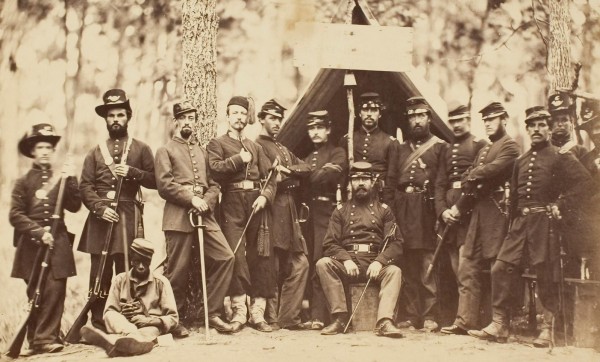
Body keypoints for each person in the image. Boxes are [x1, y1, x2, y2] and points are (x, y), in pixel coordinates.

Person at [468, 105, 593, 347]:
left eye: (542, 125)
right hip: (520, 225)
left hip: (544, 224)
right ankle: (500, 324)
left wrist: (560, 203)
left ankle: (548, 328)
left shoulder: (560, 156)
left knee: (546, 273)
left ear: (548, 128)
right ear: (527, 129)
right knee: (500, 268)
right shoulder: (521, 161)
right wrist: (511, 225)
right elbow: (514, 198)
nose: (537, 130)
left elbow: (585, 183)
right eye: (532, 126)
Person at [154, 101, 235, 337]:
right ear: (175, 121)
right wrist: (191, 199)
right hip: (178, 215)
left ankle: (211, 312)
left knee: (225, 257)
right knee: (177, 271)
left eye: (192, 118)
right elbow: (165, 185)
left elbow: (214, 184)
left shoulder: (202, 151)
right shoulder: (165, 150)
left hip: (204, 214)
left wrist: (206, 202)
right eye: (183, 118)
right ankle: (173, 319)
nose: (188, 122)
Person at [78, 89, 156, 332]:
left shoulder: (141, 149)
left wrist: (132, 172)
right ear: (106, 119)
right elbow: (85, 186)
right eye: (111, 115)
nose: (115, 120)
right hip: (100, 219)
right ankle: (99, 322)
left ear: (128, 116)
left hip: (128, 217)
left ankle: (127, 319)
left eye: (120, 114)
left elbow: (154, 180)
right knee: (99, 273)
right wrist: (100, 208)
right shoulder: (94, 152)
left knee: (127, 269)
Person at [440, 102, 520, 335]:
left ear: (504, 119)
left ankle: (499, 322)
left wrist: (473, 176)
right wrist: (459, 204)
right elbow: (469, 180)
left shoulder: (510, 146)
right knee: (467, 264)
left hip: (497, 212)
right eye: (485, 120)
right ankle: (465, 321)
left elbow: (491, 170)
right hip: (477, 211)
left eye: (492, 119)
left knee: (497, 267)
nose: (488, 124)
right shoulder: (485, 150)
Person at [206, 96, 277, 333]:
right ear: (227, 116)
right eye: (234, 113)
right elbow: (215, 170)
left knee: (261, 254)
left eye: (242, 113)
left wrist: (264, 197)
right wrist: (238, 159)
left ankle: (258, 313)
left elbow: (271, 178)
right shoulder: (217, 144)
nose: (238, 117)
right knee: (235, 254)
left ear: (247, 117)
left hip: (256, 204)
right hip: (232, 205)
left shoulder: (256, 147)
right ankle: (239, 310)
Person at [9, 123, 81, 356]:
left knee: (56, 288)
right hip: (31, 245)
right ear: (32, 151)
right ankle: (35, 340)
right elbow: (15, 215)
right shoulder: (23, 182)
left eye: (49, 147)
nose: (45, 151)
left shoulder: (60, 178)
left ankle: (48, 338)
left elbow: (75, 205)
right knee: (35, 292)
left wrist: (71, 178)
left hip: (58, 242)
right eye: (40, 146)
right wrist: (40, 233)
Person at [316, 162, 403, 338]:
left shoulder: (384, 211)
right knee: (323, 264)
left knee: (394, 271)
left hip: (374, 264)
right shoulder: (340, 211)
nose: (361, 183)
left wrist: (380, 261)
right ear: (350, 184)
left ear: (373, 182)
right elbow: (329, 243)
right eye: (356, 179)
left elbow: (396, 244)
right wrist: (345, 259)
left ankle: (385, 321)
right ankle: (340, 318)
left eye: (365, 179)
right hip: (349, 264)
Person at [386, 96, 446, 331]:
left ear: (429, 118)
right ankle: (411, 316)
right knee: (408, 264)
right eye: (412, 116)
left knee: (427, 265)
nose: (417, 121)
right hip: (403, 209)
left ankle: (430, 315)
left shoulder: (440, 147)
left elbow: (441, 182)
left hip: (426, 210)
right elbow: (391, 182)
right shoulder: (398, 149)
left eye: (421, 115)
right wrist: (391, 216)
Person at [255, 99, 311, 330]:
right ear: (261, 119)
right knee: (273, 264)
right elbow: (271, 179)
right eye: (272, 118)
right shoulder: (257, 146)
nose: (277, 123)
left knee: (301, 263)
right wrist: (286, 176)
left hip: (289, 209)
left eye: (279, 118)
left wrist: (288, 170)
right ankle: (273, 318)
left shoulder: (283, 148)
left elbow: (307, 168)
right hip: (272, 208)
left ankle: (289, 317)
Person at [80, 238, 178, 358]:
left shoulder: (161, 282)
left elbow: (173, 318)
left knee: (147, 334)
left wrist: (148, 320)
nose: (141, 266)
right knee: (112, 316)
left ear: (151, 261)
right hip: (124, 324)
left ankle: (116, 344)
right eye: (137, 261)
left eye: (146, 262)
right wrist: (123, 313)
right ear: (131, 261)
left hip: (149, 326)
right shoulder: (119, 280)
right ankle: (130, 341)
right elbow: (109, 312)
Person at [301, 110, 348, 330]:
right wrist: (311, 173)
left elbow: (331, 174)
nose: (315, 132)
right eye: (311, 128)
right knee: (311, 261)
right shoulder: (309, 158)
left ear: (328, 130)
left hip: (329, 213)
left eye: (320, 127)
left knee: (324, 259)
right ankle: (315, 313)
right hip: (310, 213)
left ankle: (325, 315)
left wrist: (308, 174)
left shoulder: (338, 152)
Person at [433, 104, 488, 282]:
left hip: (469, 214)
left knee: (467, 267)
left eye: (460, 120)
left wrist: (461, 206)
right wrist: (442, 211)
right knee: (456, 268)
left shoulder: (479, 144)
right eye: (453, 121)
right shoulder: (447, 149)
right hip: (449, 215)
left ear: (468, 120)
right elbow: (440, 183)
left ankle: (471, 309)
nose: (456, 125)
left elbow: (481, 182)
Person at [339, 92, 399, 202]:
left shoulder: (391, 142)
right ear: (359, 113)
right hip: (352, 197)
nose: (369, 114)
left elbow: (391, 178)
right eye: (365, 110)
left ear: (380, 114)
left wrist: (386, 204)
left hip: (378, 198)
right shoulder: (347, 140)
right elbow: (342, 175)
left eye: (374, 110)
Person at [572, 98, 600, 279]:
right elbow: (581, 193)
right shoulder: (587, 160)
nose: (597, 133)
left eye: (599, 126)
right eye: (592, 130)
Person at [548, 92, 588, 159]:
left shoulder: (581, 152)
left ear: (571, 122)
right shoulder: (544, 151)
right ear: (550, 123)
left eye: (564, 120)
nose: (560, 124)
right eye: (556, 120)